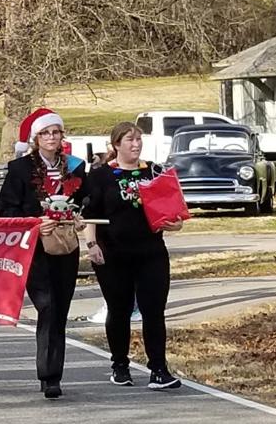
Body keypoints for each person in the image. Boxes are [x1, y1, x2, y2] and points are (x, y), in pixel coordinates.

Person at [82, 121, 183, 391]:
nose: (136, 144)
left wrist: (175, 223)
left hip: (150, 251)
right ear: (116, 145)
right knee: (120, 309)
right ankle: (120, 364)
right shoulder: (101, 175)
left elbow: (173, 210)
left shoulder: (154, 171)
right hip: (113, 251)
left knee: (153, 310)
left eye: (139, 139)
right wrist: (92, 244)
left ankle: (159, 369)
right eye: (129, 140)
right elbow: (90, 214)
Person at [0, 108, 88, 399]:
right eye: (45, 133)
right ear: (36, 138)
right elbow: (6, 211)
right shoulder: (20, 169)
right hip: (35, 249)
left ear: (62, 136)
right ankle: (48, 375)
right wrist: (37, 223)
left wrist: (81, 216)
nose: (51, 137)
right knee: (47, 306)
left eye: (56, 132)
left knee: (60, 309)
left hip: (65, 246)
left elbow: (86, 201)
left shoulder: (75, 167)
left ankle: (54, 374)